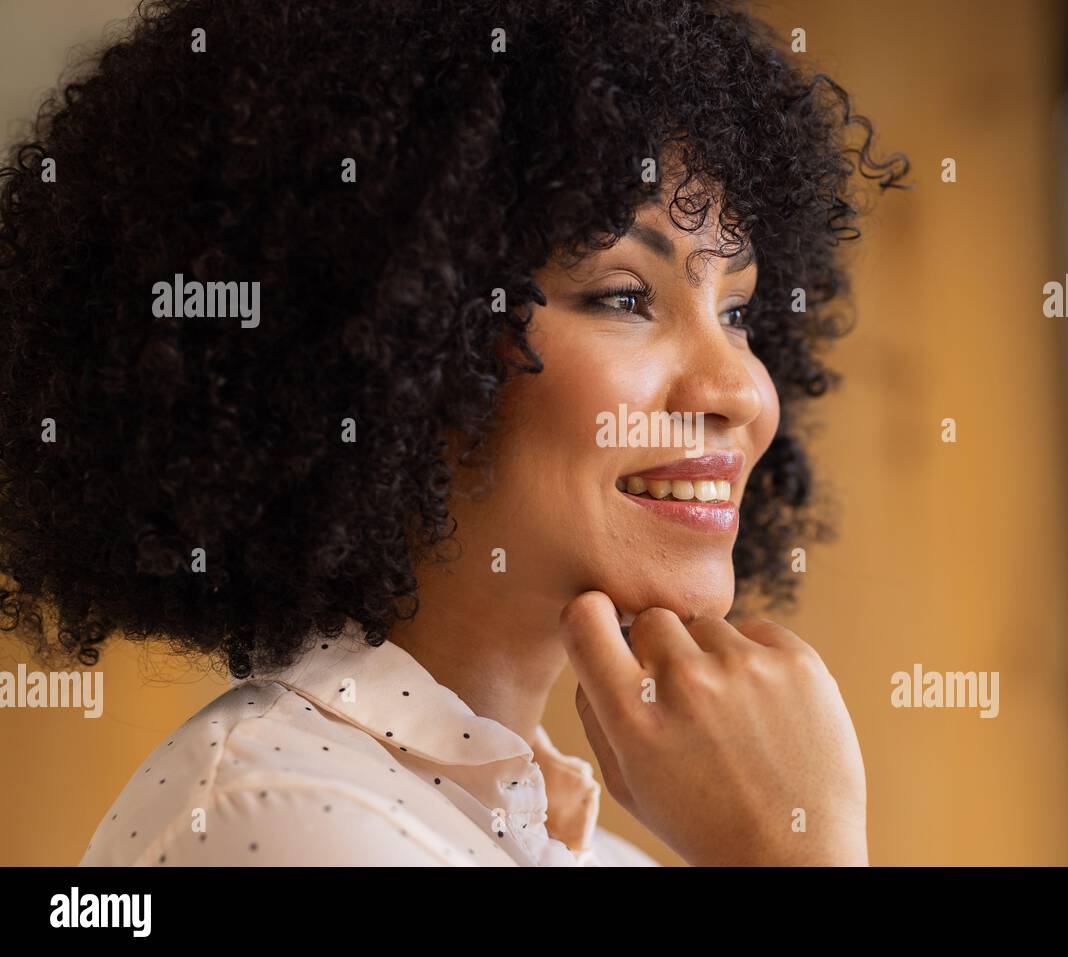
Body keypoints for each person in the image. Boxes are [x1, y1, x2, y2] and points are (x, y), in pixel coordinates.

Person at [0, 0, 906, 866]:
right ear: (399, 336)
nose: (741, 390)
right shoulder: (275, 816)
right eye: (625, 297)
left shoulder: (587, 849)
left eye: (738, 313)